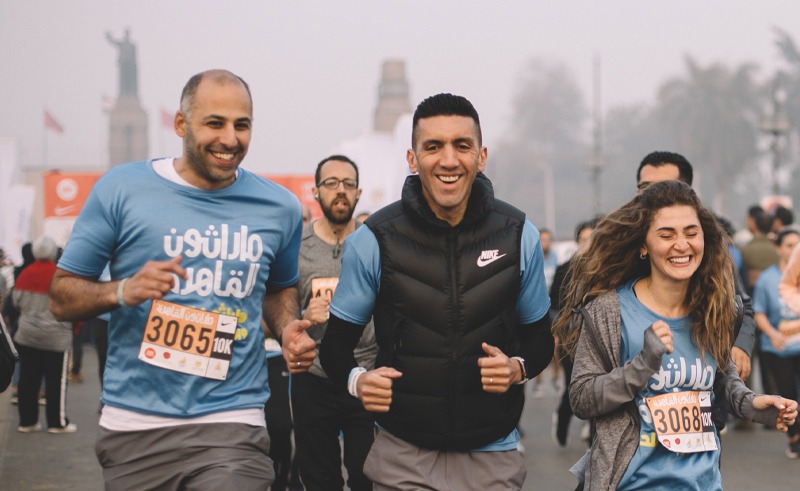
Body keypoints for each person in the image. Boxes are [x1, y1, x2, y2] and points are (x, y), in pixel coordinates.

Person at [49, 69, 316, 490]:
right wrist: (123, 290)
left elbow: (279, 287)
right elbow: (62, 297)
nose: (230, 139)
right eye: (215, 123)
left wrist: (287, 329)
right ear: (180, 124)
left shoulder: (278, 207)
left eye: (241, 125)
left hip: (233, 419)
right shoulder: (121, 188)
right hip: (135, 425)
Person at [320, 93, 554, 490]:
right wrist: (358, 380)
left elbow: (540, 340)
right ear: (412, 159)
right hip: (403, 455)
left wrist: (517, 368)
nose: (448, 160)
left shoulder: (519, 235)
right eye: (433, 147)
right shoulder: (375, 239)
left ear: (481, 157)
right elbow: (334, 347)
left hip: (492, 453)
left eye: (462, 146)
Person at [553, 180, 797, 490]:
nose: (681, 245)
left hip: (703, 483)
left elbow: (721, 381)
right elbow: (582, 399)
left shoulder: (714, 307)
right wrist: (642, 365)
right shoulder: (609, 311)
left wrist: (752, 405)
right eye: (666, 235)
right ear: (643, 244)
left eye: (691, 233)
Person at [292, 155, 377, 490]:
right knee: (319, 480)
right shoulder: (296, 248)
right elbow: (274, 314)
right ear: (315, 192)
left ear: (358, 193)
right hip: (314, 381)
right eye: (331, 183)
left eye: (348, 184)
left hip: (365, 375)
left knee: (366, 477)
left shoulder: (376, 243)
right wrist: (303, 317)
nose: (340, 191)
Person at [13, 235, 75, 433]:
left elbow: (16, 302)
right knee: (56, 382)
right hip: (56, 338)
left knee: (27, 379)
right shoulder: (60, 275)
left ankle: (27, 421)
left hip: (28, 335)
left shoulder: (25, 274)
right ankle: (57, 423)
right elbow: (73, 305)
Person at [550, 217, 599, 447]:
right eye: (584, 239)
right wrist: (558, 331)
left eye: (592, 239)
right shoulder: (564, 270)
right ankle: (561, 423)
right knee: (573, 386)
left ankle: (592, 433)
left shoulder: (603, 269)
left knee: (597, 388)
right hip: (571, 338)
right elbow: (553, 305)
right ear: (578, 241)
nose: (587, 243)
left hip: (598, 340)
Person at [753, 228, 800, 458]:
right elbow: (759, 312)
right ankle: (795, 438)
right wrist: (772, 334)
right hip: (778, 349)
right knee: (788, 395)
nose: (794, 250)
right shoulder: (767, 279)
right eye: (789, 245)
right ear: (779, 249)